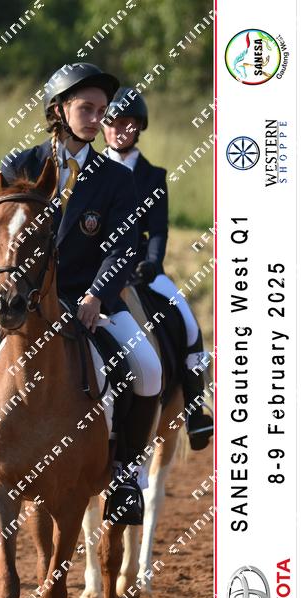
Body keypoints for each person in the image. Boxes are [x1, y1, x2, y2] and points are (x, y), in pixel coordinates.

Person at [0, 63, 163, 521]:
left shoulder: (117, 179)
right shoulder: (19, 165)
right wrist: (4, 290)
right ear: (59, 110)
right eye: (86, 108)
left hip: (85, 299)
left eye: (101, 110)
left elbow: (123, 248)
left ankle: (125, 476)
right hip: (16, 297)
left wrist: (97, 295)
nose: (97, 118)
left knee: (149, 370)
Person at [101, 87, 213, 450]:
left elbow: (159, 230)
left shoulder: (153, 176)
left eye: (127, 123)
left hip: (141, 270)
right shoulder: (89, 170)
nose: (119, 129)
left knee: (189, 323)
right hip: (97, 269)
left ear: (139, 128)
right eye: (113, 122)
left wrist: (151, 263)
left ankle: (195, 411)